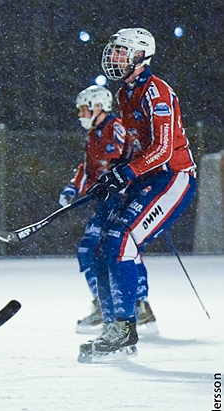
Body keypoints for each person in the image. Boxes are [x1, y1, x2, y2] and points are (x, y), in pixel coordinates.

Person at [78, 28, 197, 363]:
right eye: (113, 51)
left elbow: (162, 149)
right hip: (149, 178)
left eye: (120, 51)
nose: (113, 57)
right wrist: (118, 168)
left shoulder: (156, 91)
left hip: (174, 177)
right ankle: (114, 325)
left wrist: (127, 172)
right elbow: (135, 144)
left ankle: (126, 328)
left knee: (121, 237)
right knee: (102, 243)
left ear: (140, 55)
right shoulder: (124, 93)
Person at [59, 85, 157, 335]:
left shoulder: (117, 128)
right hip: (107, 200)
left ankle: (134, 306)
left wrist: (123, 188)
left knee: (117, 248)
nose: (81, 114)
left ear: (99, 107)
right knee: (96, 250)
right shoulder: (94, 134)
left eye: (84, 108)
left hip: (122, 199)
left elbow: (125, 163)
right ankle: (114, 305)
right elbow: (88, 169)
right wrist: (74, 187)